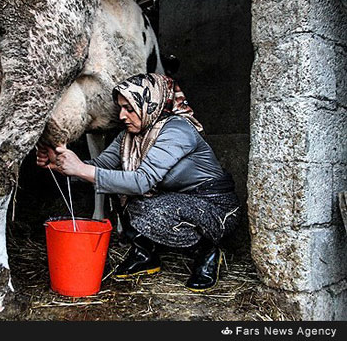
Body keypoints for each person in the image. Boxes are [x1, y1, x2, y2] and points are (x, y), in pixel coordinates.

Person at [36, 73, 240, 292]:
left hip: (215, 206)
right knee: (124, 189)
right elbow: (101, 166)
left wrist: (82, 169)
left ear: (151, 104)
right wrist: (60, 164)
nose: (122, 116)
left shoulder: (177, 130)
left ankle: (207, 251)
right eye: (121, 108)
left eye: (130, 108)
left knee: (150, 206)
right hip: (179, 202)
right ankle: (146, 255)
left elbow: (142, 181)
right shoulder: (130, 136)